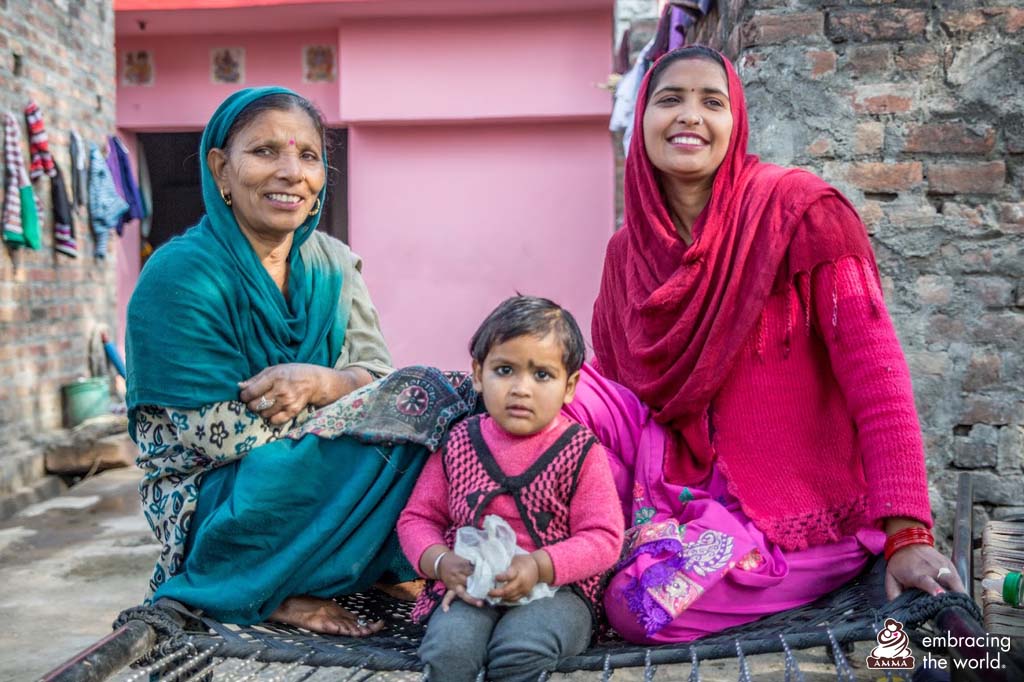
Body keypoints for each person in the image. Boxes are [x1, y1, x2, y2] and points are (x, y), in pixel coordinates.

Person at [580, 46, 964, 644]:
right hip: (676, 499)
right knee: (554, 400)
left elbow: (877, 379)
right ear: (642, 120)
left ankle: (828, 570)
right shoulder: (625, 255)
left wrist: (908, 536)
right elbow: (614, 395)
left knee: (639, 607)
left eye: (712, 101)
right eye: (669, 100)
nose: (690, 116)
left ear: (736, 124)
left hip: (788, 516)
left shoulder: (801, 215)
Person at [126, 87, 420, 636]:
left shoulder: (334, 263)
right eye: (265, 152)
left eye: (308, 156)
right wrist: (355, 409)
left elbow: (379, 373)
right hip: (216, 498)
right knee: (401, 425)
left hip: (311, 462)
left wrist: (321, 382)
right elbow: (217, 436)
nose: (291, 172)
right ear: (220, 169)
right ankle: (264, 587)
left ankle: (353, 566)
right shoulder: (179, 277)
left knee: (442, 412)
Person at [397, 296, 624, 681]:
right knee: (449, 651)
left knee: (520, 650)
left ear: (569, 387)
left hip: (559, 593)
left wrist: (539, 566)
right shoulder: (459, 443)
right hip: (470, 587)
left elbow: (603, 538)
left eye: (542, 375)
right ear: (477, 374)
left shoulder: (581, 451)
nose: (521, 388)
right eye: (505, 370)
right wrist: (440, 562)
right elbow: (418, 518)